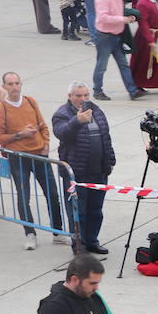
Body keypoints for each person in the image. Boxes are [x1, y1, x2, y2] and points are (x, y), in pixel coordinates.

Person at [0, 72, 64, 251]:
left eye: (17, 83)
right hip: (19, 158)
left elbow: (43, 125)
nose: (15, 87)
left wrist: (46, 143)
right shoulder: (1, 108)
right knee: (24, 196)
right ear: (4, 87)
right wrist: (19, 135)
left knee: (52, 194)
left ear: (21, 84)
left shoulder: (30, 101)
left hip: (39, 154)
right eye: (10, 84)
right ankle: (29, 233)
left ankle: (57, 231)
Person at [50, 83, 114, 254]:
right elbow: (61, 132)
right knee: (78, 212)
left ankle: (92, 241)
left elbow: (105, 137)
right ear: (70, 96)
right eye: (78, 96)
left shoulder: (97, 111)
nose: (83, 99)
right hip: (77, 174)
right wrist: (77, 121)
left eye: (86, 95)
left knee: (95, 210)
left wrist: (110, 159)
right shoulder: (62, 114)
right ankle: (79, 245)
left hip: (98, 171)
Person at [90, 0, 144, 102]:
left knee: (123, 63)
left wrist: (128, 17)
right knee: (102, 64)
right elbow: (103, 17)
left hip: (117, 35)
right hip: (105, 36)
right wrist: (123, 19)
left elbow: (118, 12)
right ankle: (97, 90)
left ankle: (132, 90)